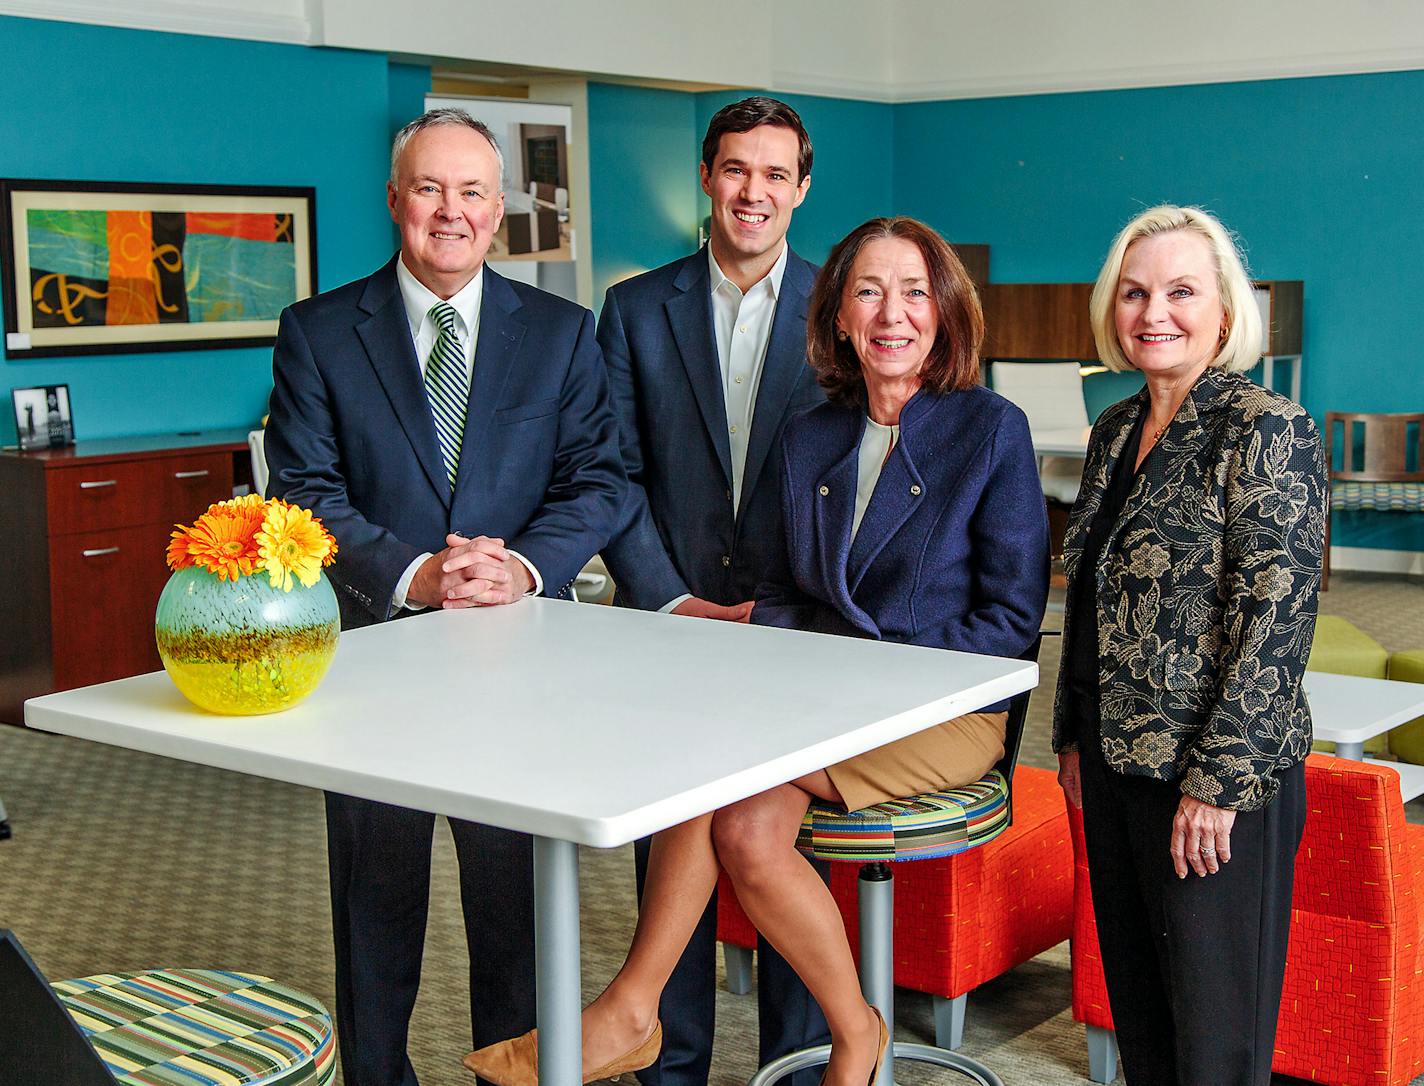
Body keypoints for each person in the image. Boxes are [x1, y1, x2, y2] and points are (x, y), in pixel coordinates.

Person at [466, 216, 1047, 1086]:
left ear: (946, 311)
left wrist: (863, 671)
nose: (893, 314)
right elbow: (785, 594)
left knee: (725, 775)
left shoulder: (990, 429)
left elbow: (1008, 620)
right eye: (868, 291)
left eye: (916, 292)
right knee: (736, 815)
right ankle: (852, 1028)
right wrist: (749, 648)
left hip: (946, 711)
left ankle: (633, 1009)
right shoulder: (812, 434)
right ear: (840, 315)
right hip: (824, 703)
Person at [264, 107, 625, 1086]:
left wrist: (517, 567)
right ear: (394, 200)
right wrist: (416, 573)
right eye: (430, 188)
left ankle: (505, 1074)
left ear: (498, 210)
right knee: (375, 902)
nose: (450, 211)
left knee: (512, 902)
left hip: (515, 664)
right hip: (374, 661)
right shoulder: (316, 332)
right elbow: (303, 491)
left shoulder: (558, 333)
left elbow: (599, 479)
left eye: (471, 191)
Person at [1052, 205, 1327, 1085]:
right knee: (1145, 1022)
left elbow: (1276, 624)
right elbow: (1090, 596)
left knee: (1216, 1045)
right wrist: (1070, 740)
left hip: (1215, 785)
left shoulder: (1264, 426)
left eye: (1179, 291)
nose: (1152, 313)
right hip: (1115, 764)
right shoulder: (1112, 430)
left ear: (1223, 310)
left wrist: (1215, 788)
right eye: (1134, 293)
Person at [596, 96, 829, 1086]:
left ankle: (799, 1060)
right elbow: (606, 472)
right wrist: (668, 599)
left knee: (785, 854)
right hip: (669, 631)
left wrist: (781, 608)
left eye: (775, 175)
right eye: (737, 169)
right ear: (706, 176)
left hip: (796, 633)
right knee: (667, 857)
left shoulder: (841, 308)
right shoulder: (634, 308)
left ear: (801, 190)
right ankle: (668, 1063)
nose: (753, 192)